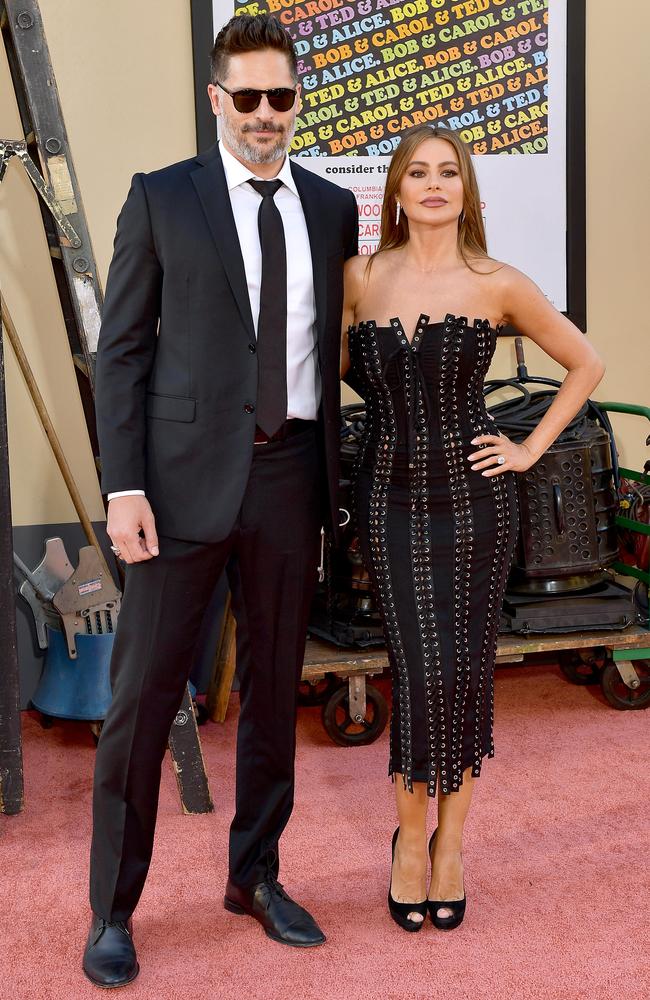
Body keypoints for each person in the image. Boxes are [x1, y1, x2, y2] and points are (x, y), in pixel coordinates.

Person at [83, 14, 358, 987]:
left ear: (296, 99)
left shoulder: (330, 209)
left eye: (279, 96)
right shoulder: (161, 198)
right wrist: (122, 486)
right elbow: (119, 351)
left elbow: (330, 355)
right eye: (245, 97)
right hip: (173, 489)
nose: (263, 115)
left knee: (274, 698)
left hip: (289, 482)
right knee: (141, 703)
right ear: (215, 100)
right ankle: (112, 908)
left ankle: (255, 875)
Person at [341, 124, 604, 932]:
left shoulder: (497, 282)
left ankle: (451, 846)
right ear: (393, 190)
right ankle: (409, 846)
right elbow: (323, 370)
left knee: (464, 676)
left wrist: (526, 449)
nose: (431, 185)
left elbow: (585, 362)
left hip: (478, 505)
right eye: (416, 172)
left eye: (446, 173)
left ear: (466, 191)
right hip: (389, 503)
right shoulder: (359, 276)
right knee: (420, 680)